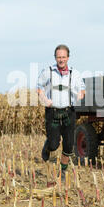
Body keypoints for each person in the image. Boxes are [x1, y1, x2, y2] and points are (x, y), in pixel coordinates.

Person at [37, 44, 85, 180]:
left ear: (68, 58)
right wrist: (44, 99)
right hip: (52, 112)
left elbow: (82, 88)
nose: (61, 60)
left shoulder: (74, 74)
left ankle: (63, 172)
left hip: (69, 112)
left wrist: (81, 94)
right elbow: (39, 87)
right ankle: (48, 146)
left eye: (63, 57)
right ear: (55, 58)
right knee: (54, 144)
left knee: (69, 145)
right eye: (59, 57)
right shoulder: (48, 72)